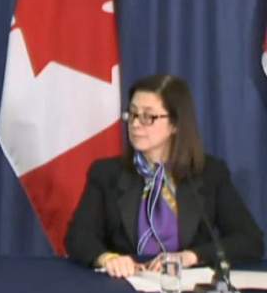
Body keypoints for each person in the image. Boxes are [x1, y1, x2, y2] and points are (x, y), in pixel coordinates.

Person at [65, 75, 263, 278]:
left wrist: (191, 256)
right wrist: (108, 258)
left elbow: (250, 241)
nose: (135, 124)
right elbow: (78, 237)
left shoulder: (209, 173)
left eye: (148, 117)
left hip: (187, 292)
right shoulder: (106, 173)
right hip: (125, 288)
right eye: (132, 114)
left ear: (175, 124)